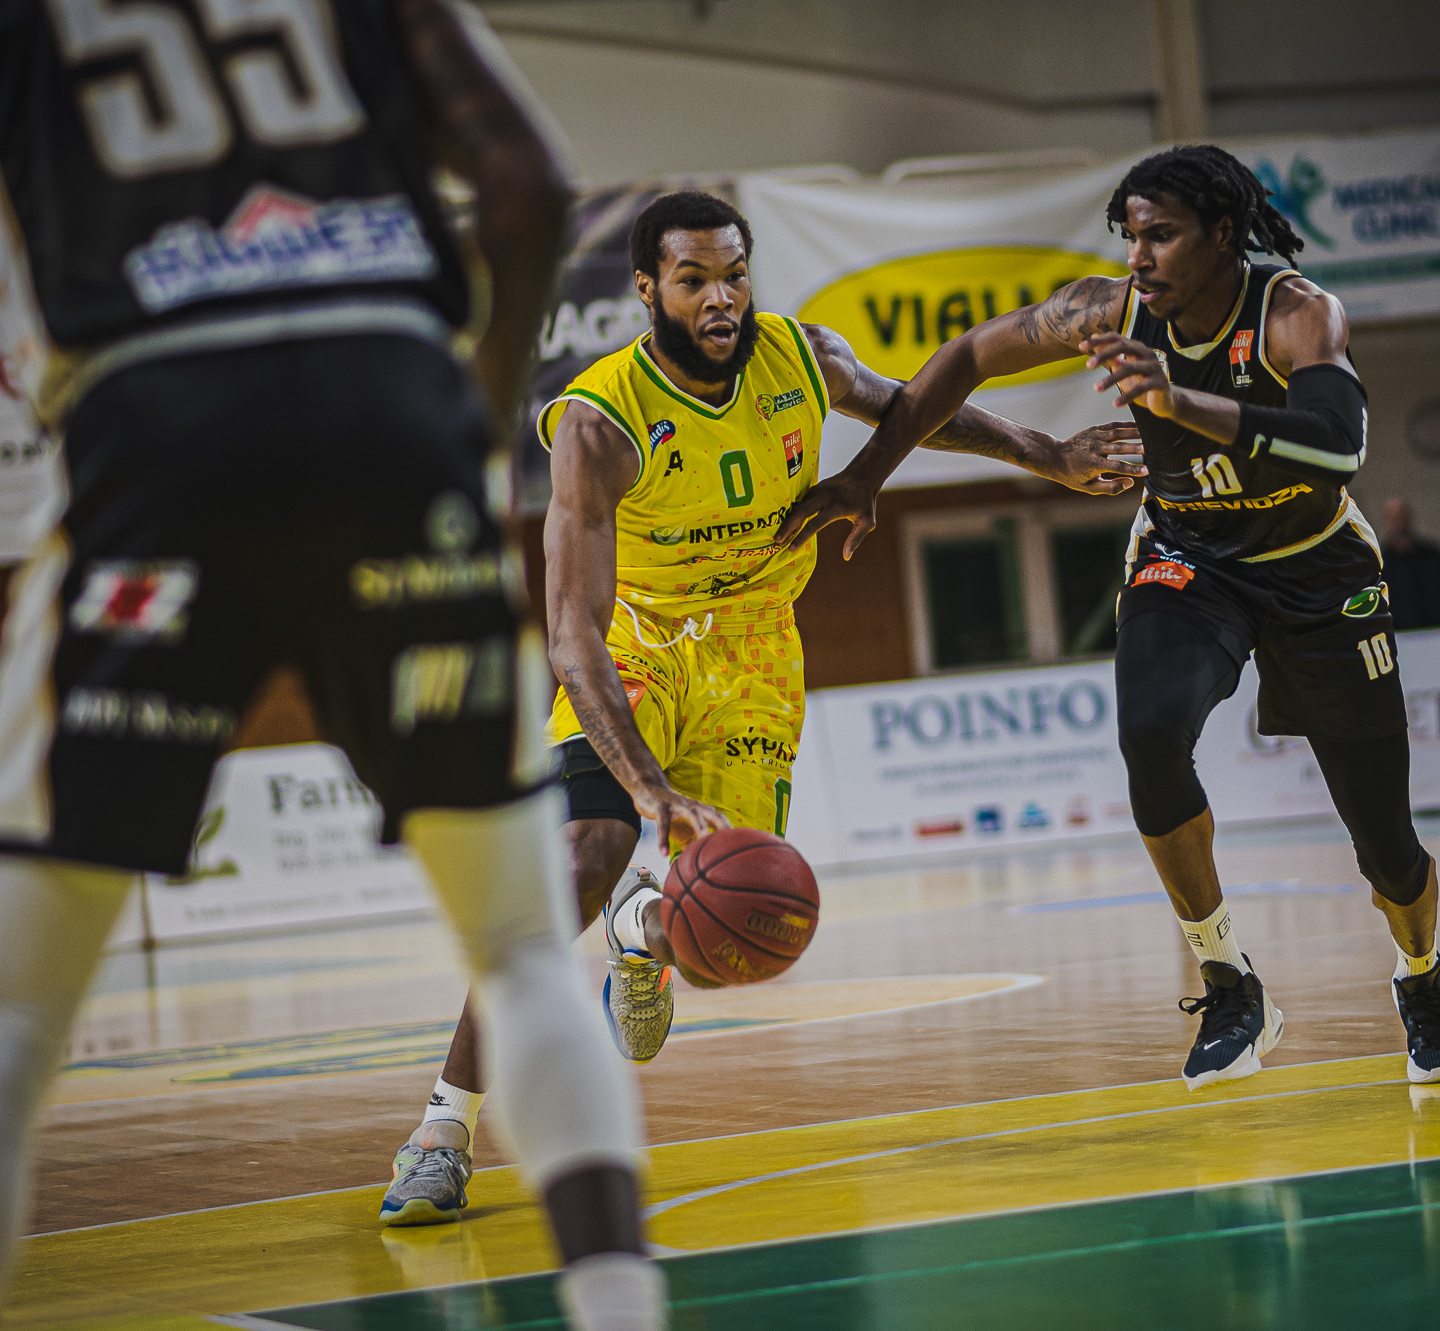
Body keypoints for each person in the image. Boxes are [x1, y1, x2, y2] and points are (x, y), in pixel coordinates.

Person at [0, 0, 669, 1326]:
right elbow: (526, 182)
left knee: (3, 1022)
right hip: (391, 418)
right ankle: (621, 1303)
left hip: (152, 431)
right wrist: (462, 419)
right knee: (521, 947)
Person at [379, 190, 1147, 1225]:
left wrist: (1036, 456)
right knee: (578, 861)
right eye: (692, 279)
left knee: (727, 923)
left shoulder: (802, 356)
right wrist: (647, 788)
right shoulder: (600, 424)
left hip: (754, 651)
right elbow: (570, 637)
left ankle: (643, 931)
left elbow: (915, 404)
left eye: (734, 274)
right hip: (635, 642)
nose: (721, 298)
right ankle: (442, 1130)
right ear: (645, 288)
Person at [778, 145, 1440, 1090]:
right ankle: (1227, 979)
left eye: (1161, 235)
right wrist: (867, 475)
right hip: (1190, 556)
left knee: (1387, 847)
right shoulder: (1105, 310)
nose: (1138, 256)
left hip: (1316, 568)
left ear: (1223, 235)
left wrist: (1175, 401)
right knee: (1149, 730)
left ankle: (1422, 973)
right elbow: (964, 358)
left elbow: (1337, 445)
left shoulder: (1296, 314)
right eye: (1131, 236)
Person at [1379, 497, 1440, 631]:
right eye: (1394, 519)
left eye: (1402, 518)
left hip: (1437, 633)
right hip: (1398, 636)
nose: (1400, 525)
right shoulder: (1380, 564)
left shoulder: (1432, 556)